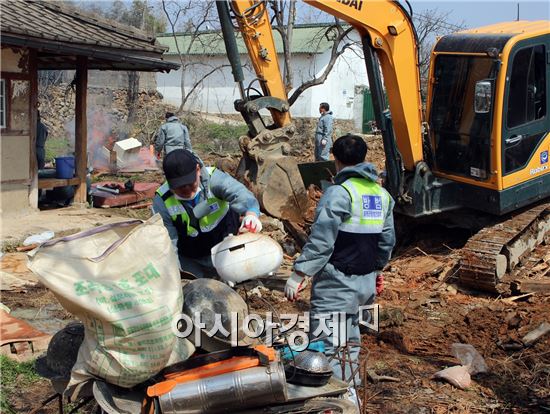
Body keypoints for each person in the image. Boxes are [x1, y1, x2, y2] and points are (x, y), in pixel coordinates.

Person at [285, 133, 395, 384]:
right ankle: (351, 398)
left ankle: (332, 403)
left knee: (326, 345)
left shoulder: (339, 193)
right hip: (365, 283)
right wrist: (377, 271)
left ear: (335, 159)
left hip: (337, 284)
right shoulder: (381, 195)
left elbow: (322, 242)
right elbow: (387, 241)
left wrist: (298, 274)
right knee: (350, 341)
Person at [152, 149, 262, 278]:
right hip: (190, 257)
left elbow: (242, 195)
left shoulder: (216, 180)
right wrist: (175, 273)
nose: (187, 191)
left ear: (198, 170)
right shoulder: (162, 201)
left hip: (226, 248)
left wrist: (251, 215)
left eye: (190, 184)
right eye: (180, 187)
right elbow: (168, 243)